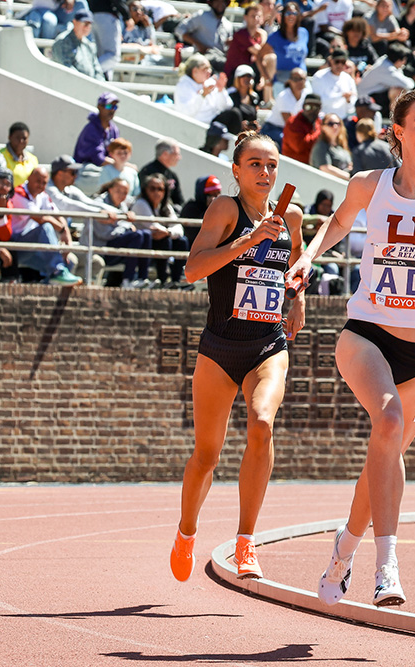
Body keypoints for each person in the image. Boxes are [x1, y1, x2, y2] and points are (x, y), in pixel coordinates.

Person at [285, 88, 415, 607]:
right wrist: (308, 255)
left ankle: (343, 551)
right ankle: (388, 567)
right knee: (389, 423)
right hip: (368, 334)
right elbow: (337, 223)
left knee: (385, 456)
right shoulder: (368, 184)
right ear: (398, 132)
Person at [171, 131, 305, 583]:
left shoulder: (291, 216)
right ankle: (186, 532)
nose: (265, 173)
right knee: (206, 456)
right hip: (220, 346)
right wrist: (248, 242)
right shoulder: (225, 210)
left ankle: (246, 542)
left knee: (262, 423)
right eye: (255, 164)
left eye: (271, 165)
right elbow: (193, 269)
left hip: (267, 343)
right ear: (237, 169)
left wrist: (298, 298)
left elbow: (295, 266)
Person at [9, 166, 83, 285]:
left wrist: (66, 236)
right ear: (29, 178)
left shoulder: (42, 195)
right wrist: (59, 227)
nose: (40, 185)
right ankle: (57, 270)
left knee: (69, 262)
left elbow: (57, 214)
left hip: (31, 247)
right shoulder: (18, 193)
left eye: (44, 183)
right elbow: (39, 218)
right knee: (45, 227)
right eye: (38, 181)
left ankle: (45, 294)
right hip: (14, 247)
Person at [92, 176, 152, 287]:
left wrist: (125, 224)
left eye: (125, 193)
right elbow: (105, 234)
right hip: (102, 250)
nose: (121, 195)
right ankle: (127, 280)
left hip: (117, 247)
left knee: (146, 234)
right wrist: (126, 225)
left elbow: (122, 226)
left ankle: (143, 278)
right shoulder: (99, 203)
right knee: (137, 235)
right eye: (118, 191)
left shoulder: (123, 205)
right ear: (110, 189)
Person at [131, 173, 188, 287]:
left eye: (160, 189)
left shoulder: (165, 206)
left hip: (159, 240)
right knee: (165, 240)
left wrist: (168, 232)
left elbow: (178, 228)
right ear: (145, 190)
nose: (156, 192)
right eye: (152, 189)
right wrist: (168, 232)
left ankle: (175, 281)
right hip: (142, 244)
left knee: (182, 241)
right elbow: (153, 226)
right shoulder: (140, 203)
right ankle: (163, 280)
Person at [73, 92, 121, 193]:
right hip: (84, 171)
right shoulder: (91, 129)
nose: (112, 110)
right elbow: (98, 159)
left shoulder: (113, 129)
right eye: (108, 106)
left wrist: (122, 164)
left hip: (104, 170)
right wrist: (120, 164)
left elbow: (117, 152)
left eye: (114, 106)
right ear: (99, 107)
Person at [174, 54, 234, 126]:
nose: (209, 71)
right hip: (196, 125)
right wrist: (202, 95)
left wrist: (221, 90)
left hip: (213, 122)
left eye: (210, 68)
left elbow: (227, 106)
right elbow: (186, 112)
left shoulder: (210, 82)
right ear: (195, 71)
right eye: (205, 68)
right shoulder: (183, 86)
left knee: (234, 114)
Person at [175, 0, 234, 72]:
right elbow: (179, 30)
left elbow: (227, 48)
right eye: (217, 1)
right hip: (203, 56)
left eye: (223, 2)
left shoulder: (228, 24)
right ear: (211, 3)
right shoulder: (201, 16)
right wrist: (198, 44)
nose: (221, 4)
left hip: (220, 58)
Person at [259, 2, 309, 85]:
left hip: (301, 79)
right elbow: (259, 56)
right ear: (283, 16)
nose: (291, 16)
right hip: (282, 80)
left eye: (294, 13)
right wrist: (266, 77)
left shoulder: (304, 33)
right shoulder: (275, 36)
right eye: (288, 13)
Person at [51, 9, 106, 81]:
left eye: (89, 24)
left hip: (89, 87)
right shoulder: (62, 41)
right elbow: (66, 70)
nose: (87, 27)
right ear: (74, 22)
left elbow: (98, 71)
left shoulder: (88, 45)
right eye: (85, 23)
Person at [261, 67, 310, 147]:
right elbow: (289, 122)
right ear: (290, 80)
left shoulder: (307, 95)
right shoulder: (283, 96)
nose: (299, 82)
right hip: (273, 129)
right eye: (295, 79)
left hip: (295, 129)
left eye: (301, 79)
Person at [311, 48, 358, 120]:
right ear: (331, 61)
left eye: (343, 62)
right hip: (323, 119)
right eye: (337, 61)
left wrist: (348, 100)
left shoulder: (348, 79)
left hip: (343, 120)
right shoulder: (319, 76)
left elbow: (352, 108)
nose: (339, 65)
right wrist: (341, 96)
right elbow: (317, 102)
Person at [138, 138, 184, 207]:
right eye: (176, 154)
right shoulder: (147, 172)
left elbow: (179, 201)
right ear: (165, 154)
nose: (179, 158)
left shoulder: (172, 175)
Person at [179, 175, 223, 247]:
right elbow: (193, 234)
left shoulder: (222, 208)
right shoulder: (190, 208)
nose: (215, 198)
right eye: (211, 194)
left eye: (217, 193)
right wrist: (210, 210)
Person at [282, 93, 323, 164]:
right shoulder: (293, 122)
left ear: (320, 109)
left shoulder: (319, 122)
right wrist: (321, 133)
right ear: (303, 107)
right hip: (295, 167)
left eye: (316, 107)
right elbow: (299, 146)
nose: (311, 111)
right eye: (308, 107)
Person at [310, 113, 353, 181]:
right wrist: (349, 177)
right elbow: (325, 168)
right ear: (323, 127)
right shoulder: (321, 146)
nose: (335, 126)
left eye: (338, 123)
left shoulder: (342, 147)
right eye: (330, 124)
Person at [0, 122, 39, 188]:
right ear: (9, 137)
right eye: (17, 138)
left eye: (24, 138)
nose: (21, 141)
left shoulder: (33, 159)